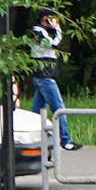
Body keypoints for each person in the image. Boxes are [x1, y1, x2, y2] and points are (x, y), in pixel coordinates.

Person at [31, 11, 81, 151]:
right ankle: (65, 140)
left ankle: (31, 138)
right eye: (52, 18)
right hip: (44, 77)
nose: (55, 22)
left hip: (44, 76)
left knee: (36, 111)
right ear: (45, 18)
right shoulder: (37, 31)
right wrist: (57, 30)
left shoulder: (44, 31)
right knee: (59, 108)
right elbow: (53, 45)